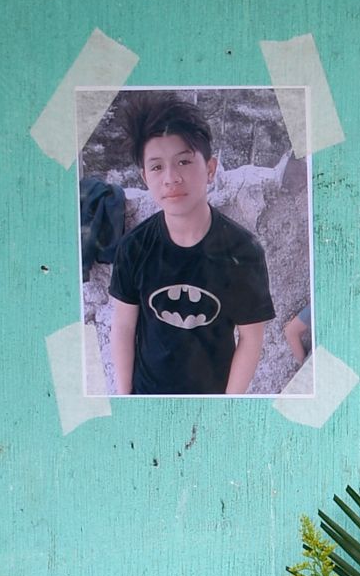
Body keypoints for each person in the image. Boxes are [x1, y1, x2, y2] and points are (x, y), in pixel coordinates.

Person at [104, 97, 275, 397]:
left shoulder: (243, 252)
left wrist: (227, 405)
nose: (171, 178)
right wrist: (125, 399)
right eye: (157, 167)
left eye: (184, 161)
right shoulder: (133, 248)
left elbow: (251, 338)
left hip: (211, 399)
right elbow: (123, 327)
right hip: (148, 398)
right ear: (144, 177)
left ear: (210, 168)